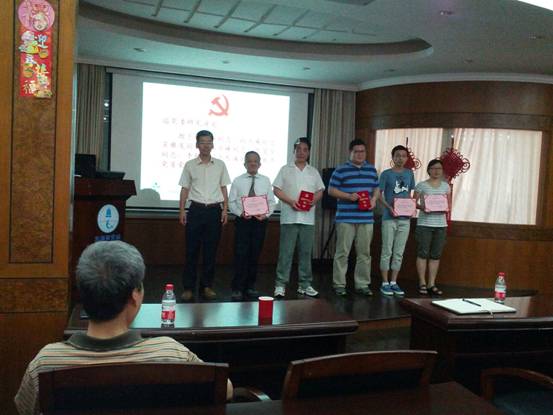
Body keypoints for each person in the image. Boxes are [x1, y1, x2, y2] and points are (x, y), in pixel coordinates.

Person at [14, 241, 233, 415]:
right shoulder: (170, 353)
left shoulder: (46, 362)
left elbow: (24, 409)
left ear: (83, 293)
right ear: (134, 297)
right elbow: (226, 390)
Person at [179, 130, 231, 301]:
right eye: (202, 142)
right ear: (197, 145)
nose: (206, 145)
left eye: (209, 142)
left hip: (214, 211)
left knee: (211, 251)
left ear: (213, 144)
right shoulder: (190, 165)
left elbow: (223, 188)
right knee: (191, 251)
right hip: (196, 210)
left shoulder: (220, 165)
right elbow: (185, 189)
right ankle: (188, 288)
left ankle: (207, 286)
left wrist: (225, 209)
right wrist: (182, 210)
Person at [273, 137, 325, 298]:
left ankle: (305, 284)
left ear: (308, 152)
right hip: (289, 218)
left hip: (308, 219)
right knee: (286, 253)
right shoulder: (285, 169)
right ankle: (280, 284)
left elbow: (320, 191)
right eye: (298, 149)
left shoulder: (313, 171)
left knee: (305, 253)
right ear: (294, 151)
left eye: (305, 149)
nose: (301, 152)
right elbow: (276, 190)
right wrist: (291, 201)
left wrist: (312, 201)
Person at [328, 139, 380, 296]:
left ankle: (362, 284)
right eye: (356, 151)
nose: (360, 154)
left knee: (364, 254)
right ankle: (339, 284)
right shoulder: (341, 170)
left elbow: (376, 188)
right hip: (346, 218)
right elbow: (331, 190)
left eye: (362, 151)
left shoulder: (371, 169)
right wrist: (348, 196)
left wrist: (374, 199)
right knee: (342, 253)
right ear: (350, 152)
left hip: (366, 219)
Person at [228, 151, 276, 301]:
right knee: (240, 254)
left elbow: (271, 202)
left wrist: (265, 215)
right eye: (249, 161)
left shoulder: (266, 180)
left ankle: (250, 286)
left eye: (255, 161)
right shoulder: (237, 181)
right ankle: (237, 288)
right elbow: (231, 202)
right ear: (245, 164)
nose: (253, 163)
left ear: (260, 164)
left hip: (260, 222)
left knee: (255, 254)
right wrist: (240, 213)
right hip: (243, 221)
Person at [378, 145, 416, 296]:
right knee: (387, 251)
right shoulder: (386, 174)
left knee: (399, 252)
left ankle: (394, 282)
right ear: (393, 157)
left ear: (407, 158)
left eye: (403, 156)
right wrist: (389, 207)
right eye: (397, 155)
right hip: (389, 218)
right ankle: (384, 282)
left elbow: (410, 195)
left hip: (405, 219)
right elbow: (379, 195)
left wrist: (411, 208)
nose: (400, 158)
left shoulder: (409, 173)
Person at [414, 159, 451, 296]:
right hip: (424, 224)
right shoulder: (421, 185)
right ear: (429, 170)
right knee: (422, 253)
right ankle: (422, 283)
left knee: (436, 255)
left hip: (441, 225)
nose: (436, 171)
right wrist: (423, 207)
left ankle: (431, 284)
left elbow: (449, 205)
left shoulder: (446, 186)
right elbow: (413, 203)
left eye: (439, 168)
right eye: (433, 168)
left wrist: (445, 208)